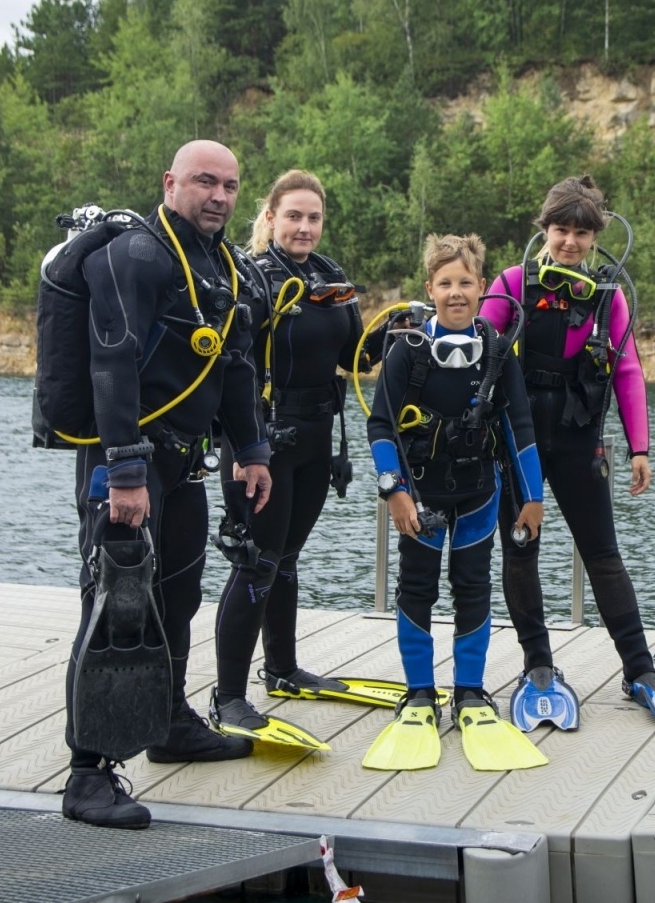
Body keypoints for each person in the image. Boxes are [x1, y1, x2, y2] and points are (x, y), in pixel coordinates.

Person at [61, 140, 273, 828]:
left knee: (177, 596)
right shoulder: (138, 256)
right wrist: (123, 471)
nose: (219, 196)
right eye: (205, 182)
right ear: (170, 182)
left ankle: (167, 722)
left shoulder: (223, 267)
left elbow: (236, 365)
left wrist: (253, 449)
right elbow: (110, 365)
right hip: (126, 458)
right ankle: (87, 774)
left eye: (232, 186)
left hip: (183, 462)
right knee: (115, 606)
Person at [483, 177, 655, 739]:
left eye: (581, 233)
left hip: (579, 441)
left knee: (603, 554)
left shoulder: (607, 297)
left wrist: (640, 447)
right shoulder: (511, 285)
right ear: (543, 231)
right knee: (521, 550)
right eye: (560, 230)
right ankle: (538, 664)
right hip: (516, 446)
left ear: (597, 238)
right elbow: (478, 352)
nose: (569, 242)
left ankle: (639, 669)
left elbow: (627, 371)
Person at [209, 170, 404, 739]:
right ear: (269, 217)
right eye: (292, 215)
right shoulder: (250, 280)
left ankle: (285, 670)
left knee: (287, 559)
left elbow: (356, 356)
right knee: (257, 561)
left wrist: (401, 334)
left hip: (317, 439)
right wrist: (243, 447)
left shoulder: (329, 276)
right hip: (262, 442)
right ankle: (227, 698)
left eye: (313, 217)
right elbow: (229, 365)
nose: (304, 227)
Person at [361, 234, 548, 772]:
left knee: (472, 589)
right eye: (445, 283)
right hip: (418, 498)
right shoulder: (407, 351)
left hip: (479, 496)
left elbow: (519, 427)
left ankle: (469, 691)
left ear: (482, 286)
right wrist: (394, 490)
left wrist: (532, 497)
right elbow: (381, 424)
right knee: (416, 589)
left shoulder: (496, 350)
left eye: (466, 282)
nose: (456, 292)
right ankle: (419, 693)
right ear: (430, 289)